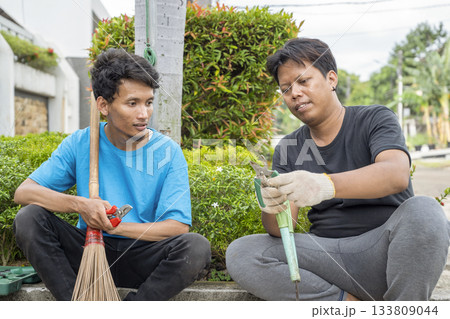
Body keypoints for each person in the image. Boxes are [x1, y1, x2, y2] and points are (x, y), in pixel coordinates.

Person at [226, 38, 450, 301]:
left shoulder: (375, 119)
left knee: (425, 211)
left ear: (331, 79)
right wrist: (273, 205)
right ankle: (347, 305)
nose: (294, 93)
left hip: (385, 251)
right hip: (328, 258)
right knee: (243, 251)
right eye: (285, 89)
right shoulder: (288, 147)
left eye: (303, 81)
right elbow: (280, 231)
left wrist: (323, 185)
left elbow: (395, 175)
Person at [13, 48, 211, 301]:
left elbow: (177, 226)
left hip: (142, 255)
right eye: (132, 103)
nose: (144, 114)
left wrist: (114, 227)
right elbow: (24, 192)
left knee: (195, 247)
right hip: (88, 250)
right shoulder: (81, 142)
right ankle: (78, 306)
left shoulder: (167, 152)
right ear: (103, 105)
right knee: (29, 218)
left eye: (148, 102)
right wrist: (80, 205)